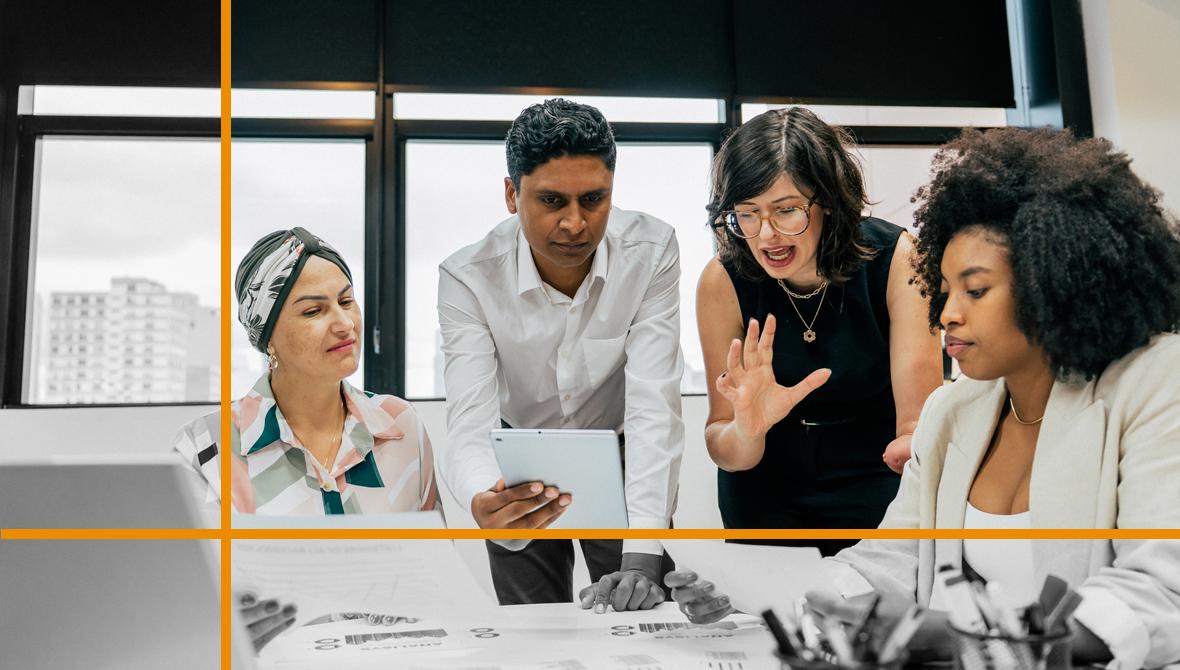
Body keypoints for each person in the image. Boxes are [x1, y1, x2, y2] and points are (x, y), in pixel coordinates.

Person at [669, 127, 1180, 668]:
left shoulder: (1153, 383)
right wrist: (762, 602)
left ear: (1052, 280)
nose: (945, 315)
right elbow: (888, 563)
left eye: (974, 290)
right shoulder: (958, 409)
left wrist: (974, 640)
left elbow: (1162, 591)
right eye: (944, 290)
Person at [437, 98, 684, 610]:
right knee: (533, 633)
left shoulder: (653, 251)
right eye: (551, 201)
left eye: (593, 199)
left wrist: (643, 551)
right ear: (511, 194)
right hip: (518, 466)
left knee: (642, 622)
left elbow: (653, 407)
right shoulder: (467, 277)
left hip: (619, 454)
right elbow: (468, 419)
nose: (575, 224)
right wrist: (486, 496)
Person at [695, 107, 943, 553]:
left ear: (828, 200)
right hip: (764, 489)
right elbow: (723, 443)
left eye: (786, 211)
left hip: (875, 477)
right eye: (747, 214)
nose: (766, 235)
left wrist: (912, 446)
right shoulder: (722, 280)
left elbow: (914, 425)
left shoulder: (896, 260)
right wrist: (749, 428)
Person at [174, 227, 440, 516]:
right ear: (268, 337)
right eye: (314, 311)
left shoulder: (400, 425)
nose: (345, 324)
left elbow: (436, 557)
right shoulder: (205, 448)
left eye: (346, 302)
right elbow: (195, 561)